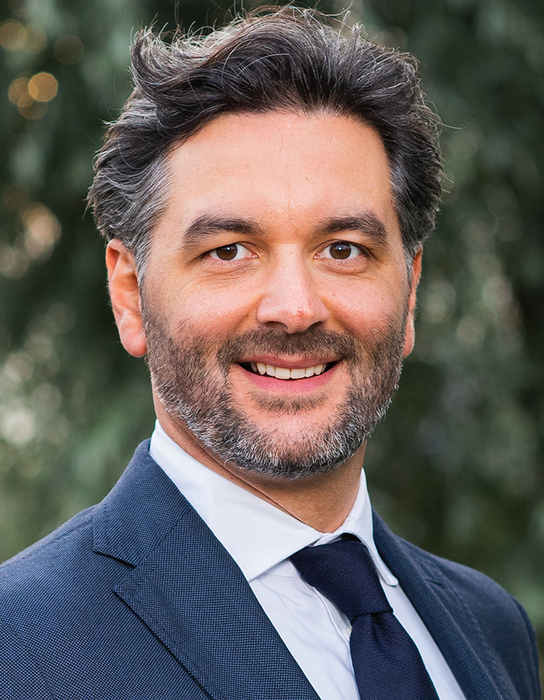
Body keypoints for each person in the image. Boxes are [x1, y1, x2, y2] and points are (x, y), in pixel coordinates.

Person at [0, 7, 540, 699]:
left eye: (343, 249)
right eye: (229, 251)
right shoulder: (22, 646)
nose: (295, 307)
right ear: (131, 295)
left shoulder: (491, 627)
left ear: (409, 294)